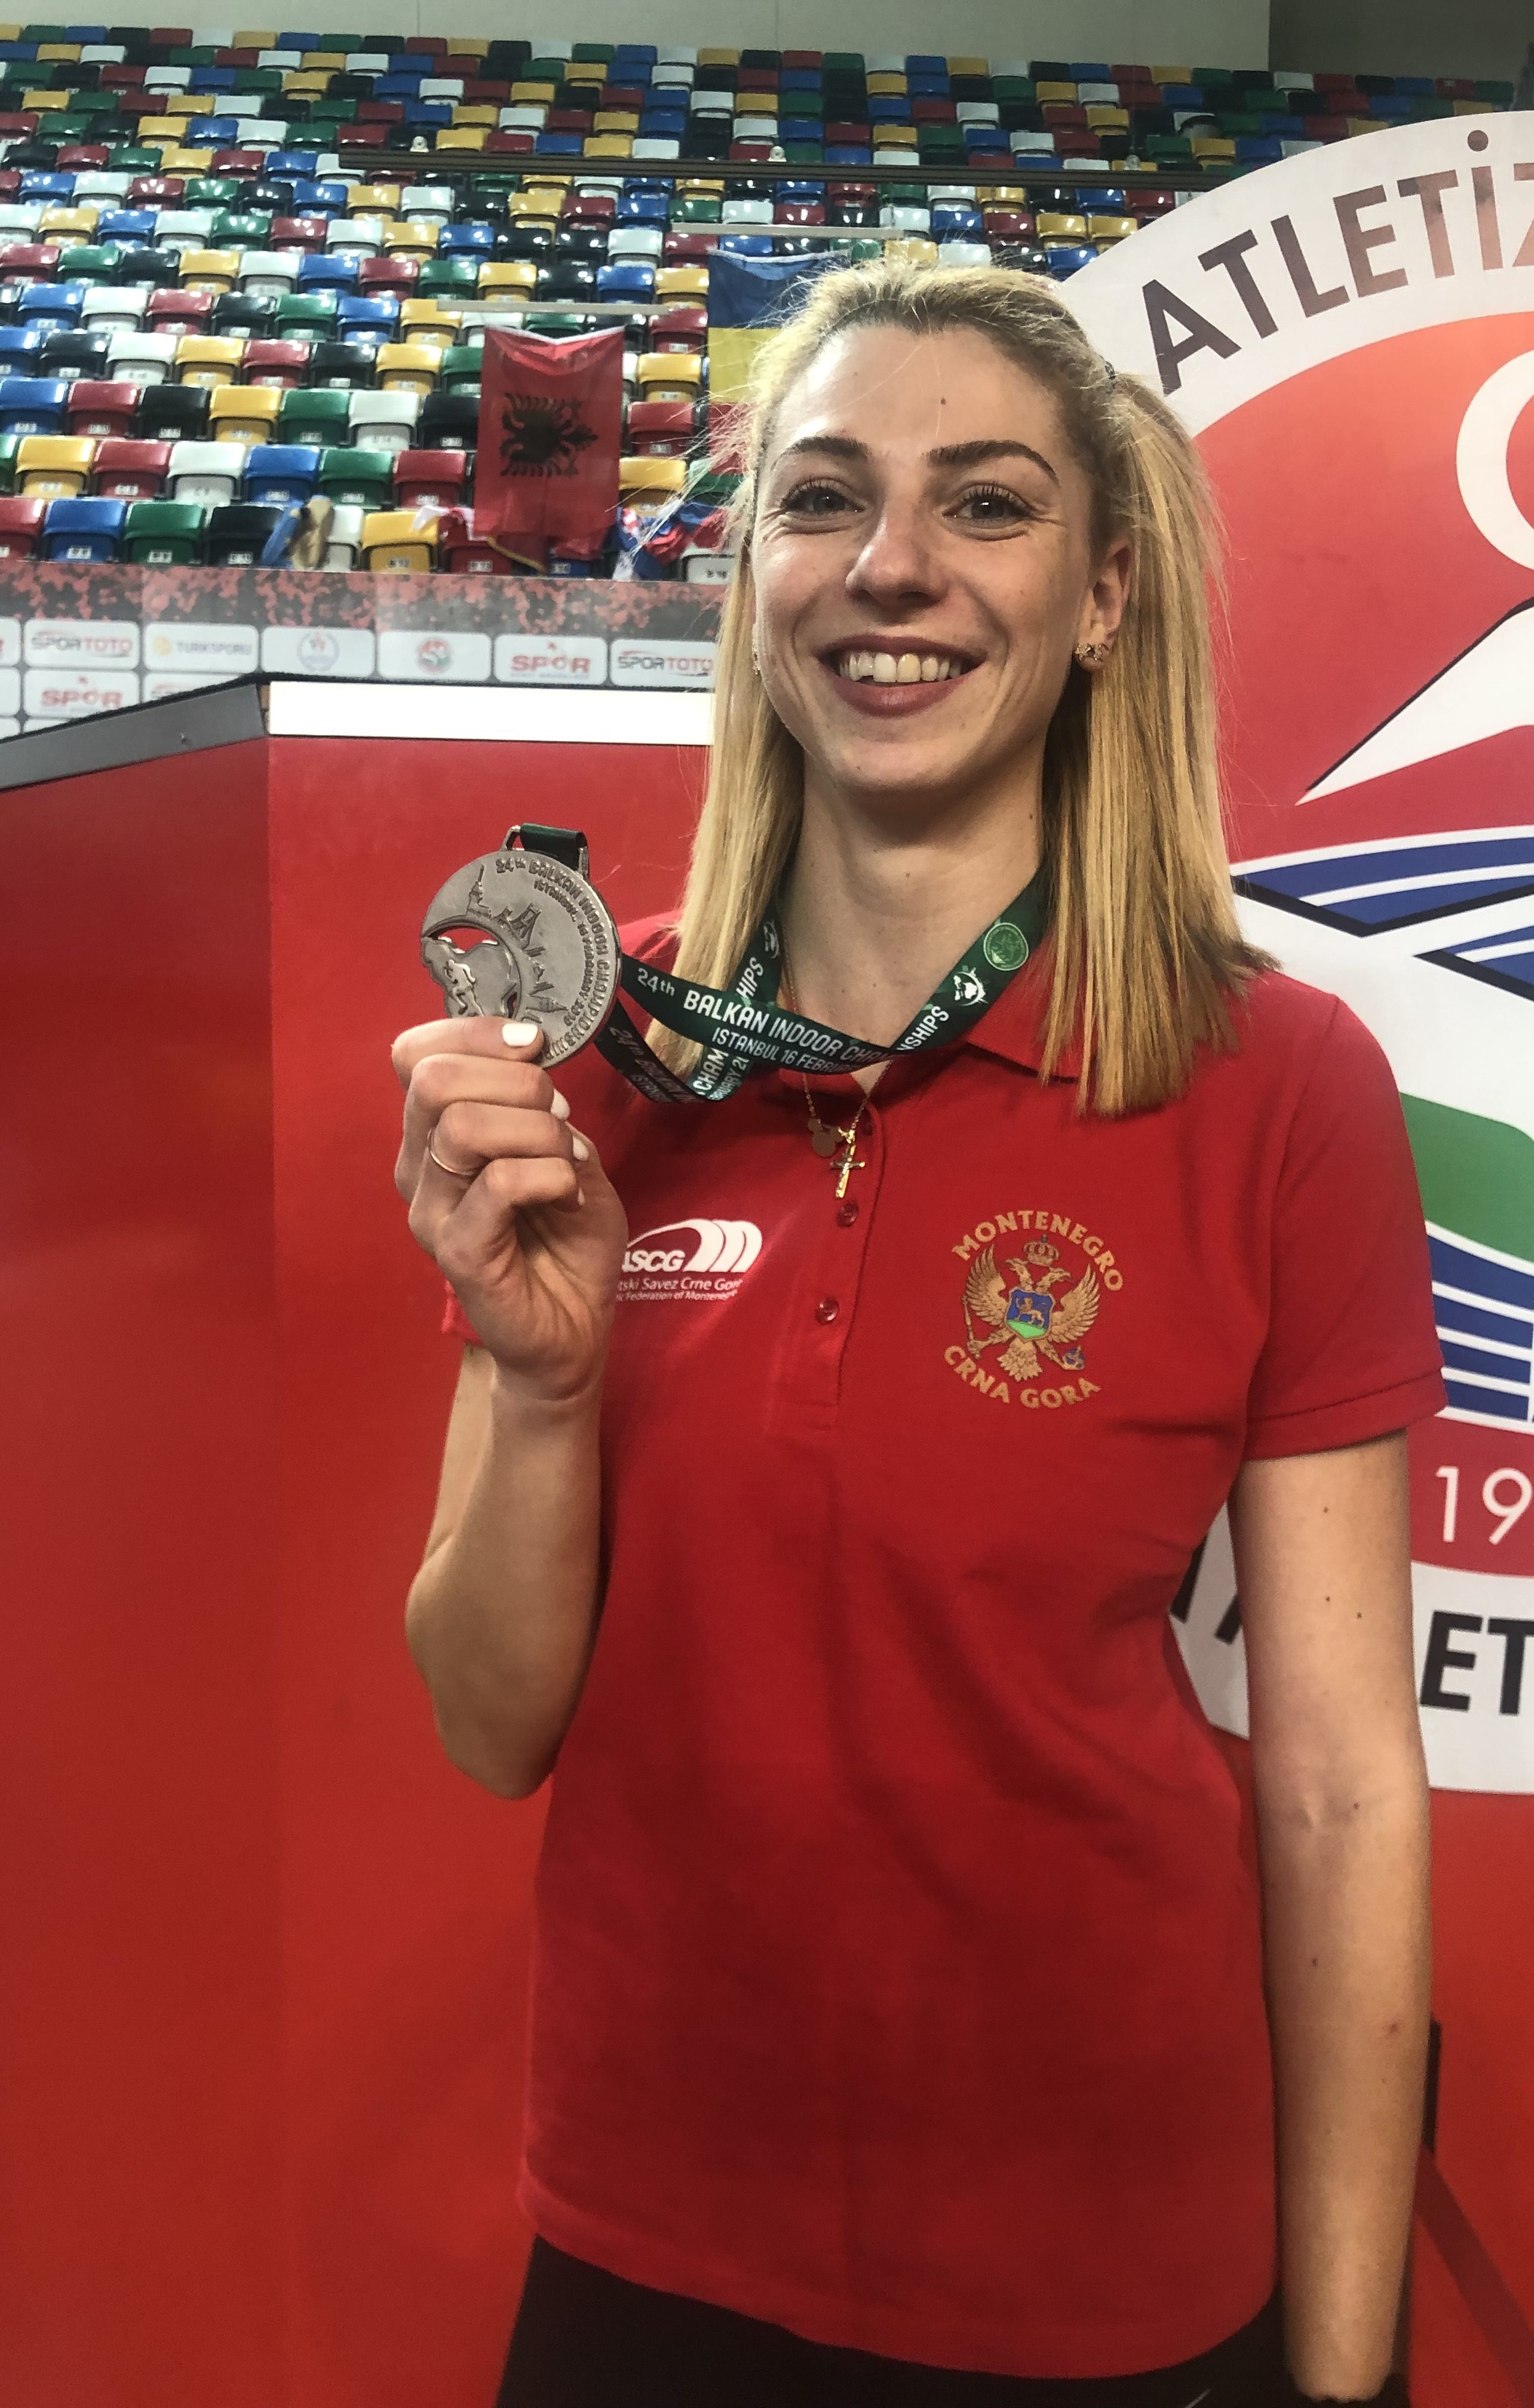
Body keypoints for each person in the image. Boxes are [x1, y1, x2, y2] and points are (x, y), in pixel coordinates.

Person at [391, 262, 1443, 2408]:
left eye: (986, 504)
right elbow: (491, 1725)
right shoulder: (600, 1051)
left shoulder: (1278, 1086)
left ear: (1104, 596)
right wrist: (544, 1382)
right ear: (755, 577)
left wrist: (1349, 2377)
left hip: (1103, 2277)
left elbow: (1343, 1792)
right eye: (823, 497)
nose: (891, 568)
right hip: (649, 2240)